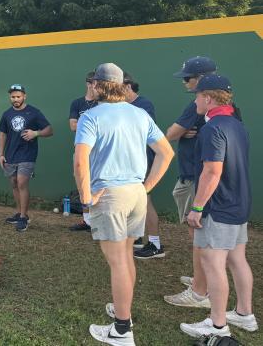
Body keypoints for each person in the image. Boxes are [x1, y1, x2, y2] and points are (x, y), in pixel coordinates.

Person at [74, 63, 174, 346]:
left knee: (117, 261)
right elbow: (166, 153)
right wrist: (145, 188)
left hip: (110, 195)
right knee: (126, 255)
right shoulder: (140, 114)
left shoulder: (91, 117)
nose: (90, 86)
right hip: (135, 194)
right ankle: (124, 315)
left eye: (93, 82)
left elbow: (80, 161)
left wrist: (85, 199)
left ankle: (121, 330)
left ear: (99, 85)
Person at [179, 75, 258, 338]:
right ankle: (244, 314)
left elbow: (212, 171)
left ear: (208, 98)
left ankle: (217, 325)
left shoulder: (212, 129)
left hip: (219, 207)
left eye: (197, 96)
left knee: (213, 264)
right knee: (237, 260)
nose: (195, 101)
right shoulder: (236, 124)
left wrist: (197, 208)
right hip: (239, 204)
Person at [163, 56, 218, 308]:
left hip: (196, 176)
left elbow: (170, 134)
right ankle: (201, 279)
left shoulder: (196, 106)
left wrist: (182, 131)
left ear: (201, 79)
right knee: (199, 233)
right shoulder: (220, 106)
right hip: (195, 174)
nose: (185, 82)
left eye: (188, 78)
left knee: (198, 232)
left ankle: (199, 291)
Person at [0, 84, 53, 232]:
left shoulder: (34, 112)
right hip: (10, 154)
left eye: (18, 96)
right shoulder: (6, 114)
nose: (15, 99)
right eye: (13, 97)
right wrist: (1, 154)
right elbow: (3, 134)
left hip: (27, 154)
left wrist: (36, 133)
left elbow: (49, 130)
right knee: (14, 183)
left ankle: (24, 217)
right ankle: (19, 213)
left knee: (22, 182)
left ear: (24, 96)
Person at [122, 73, 163, 260]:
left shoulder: (144, 105)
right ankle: (138, 237)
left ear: (128, 86)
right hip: (129, 163)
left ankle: (155, 245)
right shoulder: (123, 106)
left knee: (146, 201)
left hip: (143, 161)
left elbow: (143, 132)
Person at [68, 71, 98, 232]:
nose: (96, 86)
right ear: (88, 84)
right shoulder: (77, 103)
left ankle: (99, 221)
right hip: (81, 150)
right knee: (82, 184)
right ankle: (86, 221)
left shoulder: (102, 103)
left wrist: (84, 123)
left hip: (99, 152)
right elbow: (72, 125)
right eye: (94, 83)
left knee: (98, 184)